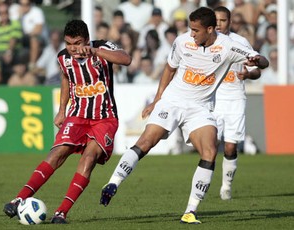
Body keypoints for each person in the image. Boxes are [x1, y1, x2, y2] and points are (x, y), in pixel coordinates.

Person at [99, 7, 269, 224]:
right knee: (147, 141)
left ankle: (190, 211)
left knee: (209, 151)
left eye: (196, 30)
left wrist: (257, 61)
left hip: (200, 107)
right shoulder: (182, 42)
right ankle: (113, 182)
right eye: (190, 29)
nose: (192, 34)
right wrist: (157, 99)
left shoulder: (229, 46)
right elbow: (169, 69)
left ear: (210, 29)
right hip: (173, 100)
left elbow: (262, 61)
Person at [3, 19, 131, 224]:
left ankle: (61, 212)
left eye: (78, 43)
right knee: (57, 153)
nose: (73, 48)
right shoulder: (63, 58)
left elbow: (126, 59)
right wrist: (62, 110)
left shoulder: (103, 47)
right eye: (69, 43)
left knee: (88, 159)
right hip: (77, 115)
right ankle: (19, 198)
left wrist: (95, 52)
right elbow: (66, 77)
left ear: (87, 40)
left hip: (104, 118)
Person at [213, 6, 262, 201]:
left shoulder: (240, 42)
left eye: (222, 20)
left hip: (234, 100)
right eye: (215, 20)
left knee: (230, 148)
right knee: (208, 146)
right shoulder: (205, 43)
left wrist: (248, 74)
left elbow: (258, 69)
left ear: (230, 22)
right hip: (212, 101)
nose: (218, 24)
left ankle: (226, 186)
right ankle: (203, 184)